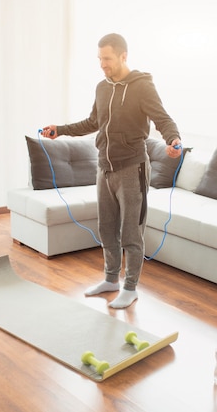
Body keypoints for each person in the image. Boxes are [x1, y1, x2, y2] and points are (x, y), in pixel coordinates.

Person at [41, 33, 182, 309]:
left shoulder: (142, 87)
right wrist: (61, 130)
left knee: (131, 231)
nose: (102, 64)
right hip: (104, 168)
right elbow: (93, 121)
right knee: (106, 228)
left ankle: (130, 287)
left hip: (133, 167)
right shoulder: (102, 88)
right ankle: (110, 279)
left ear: (123, 56)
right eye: (99, 59)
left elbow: (162, 118)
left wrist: (173, 139)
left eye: (107, 58)